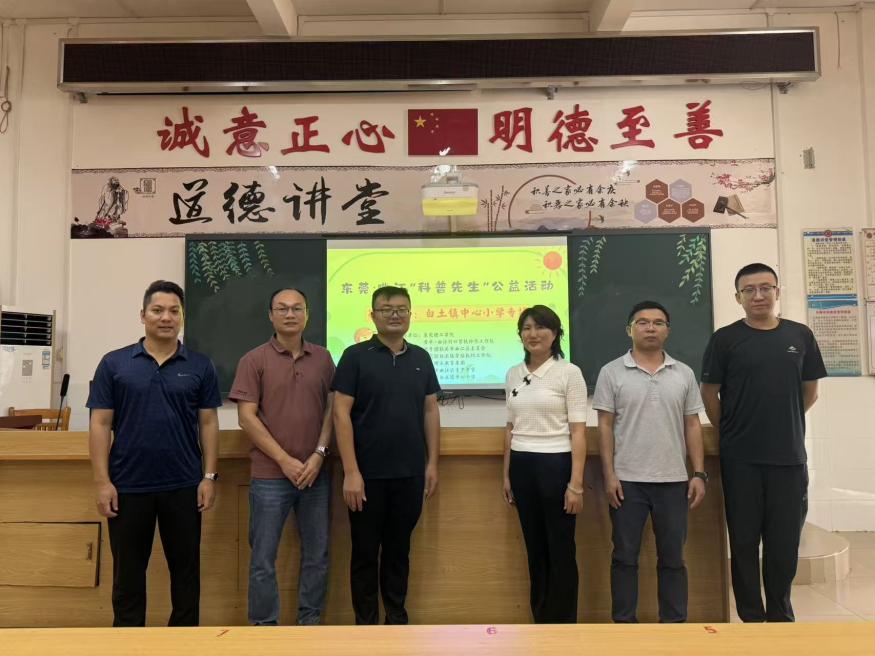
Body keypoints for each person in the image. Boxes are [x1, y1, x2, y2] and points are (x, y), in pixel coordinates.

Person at [87, 280, 221, 627]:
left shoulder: (200, 365)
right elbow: (100, 423)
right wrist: (102, 482)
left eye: (174, 311)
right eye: (158, 310)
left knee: (186, 576)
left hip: (184, 486)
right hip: (128, 486)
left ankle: (183, 644)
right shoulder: (114, 364)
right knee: (128, 578)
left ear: (182, 317)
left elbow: (208, 423)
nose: (166, 317)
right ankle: (129, 645)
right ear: (142, 315)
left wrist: (209, 477)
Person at [701, 263, 827, 622]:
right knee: (743, 543)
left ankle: (780, 615)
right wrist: (732, 430)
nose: (758, 295)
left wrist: (782, 420)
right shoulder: (725, 339)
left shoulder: (800, 335)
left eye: (765, 288)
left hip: (789, 458)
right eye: (749, 290)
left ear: (777, 291)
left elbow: (810, 392)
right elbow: (709, 393)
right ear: (738, 297)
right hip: (740, 459)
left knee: (784, 543)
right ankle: (751, 618)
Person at [331, 286, 441, 625]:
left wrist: (432, 463)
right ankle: (365, 626)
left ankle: (396, 620)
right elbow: (340, 413)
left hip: (410, 474)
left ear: (410, 314)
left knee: (398, 551)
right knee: (365, 552)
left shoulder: (421, 357)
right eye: (386, 309)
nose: (395, 314)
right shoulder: (354, 356)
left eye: (402, 309)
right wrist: (351, 471)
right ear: (373, 315)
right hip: (366, 476)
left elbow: (430, 411)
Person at [593, 300, 706, 624]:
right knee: (624, 557)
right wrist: (609, 475)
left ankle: (673, 626)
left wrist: (698, 473)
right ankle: (624, 625)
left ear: (667, 330)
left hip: (673, 481)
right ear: (629, 330)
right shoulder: (611, 372)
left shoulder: (683, 373)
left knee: (673, 559)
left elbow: (692, 425)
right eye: (642, 322)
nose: (650, 328)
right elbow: (604, 425)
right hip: (627, 482)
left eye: (658, 323)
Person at [229, 288, 335, 626]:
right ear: (270, 315)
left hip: (316, 475)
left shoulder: (323, 358)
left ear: (307, 314)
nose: (290, 314)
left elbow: (333, 410)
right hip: (269, 477)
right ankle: (264, 628)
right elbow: (247, 418)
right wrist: (285, 461)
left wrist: (319, 454)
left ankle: (310, 625)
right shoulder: (253, 360)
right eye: (282, 308)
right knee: (263, 558)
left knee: (317, 556)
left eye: (297, 308)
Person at [503, 305, 587, 624]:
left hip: (557, 465)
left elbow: (578, 432)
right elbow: (510, 428)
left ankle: (563, 625)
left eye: (541, 327)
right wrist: (506, 475)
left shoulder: (569, 373)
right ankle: (540, 621)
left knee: (560, 549)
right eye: (526, 328)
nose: (533, 334)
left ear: (555, 334)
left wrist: (576, 485)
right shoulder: (513, 373)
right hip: (521, 466)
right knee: (535, 549)